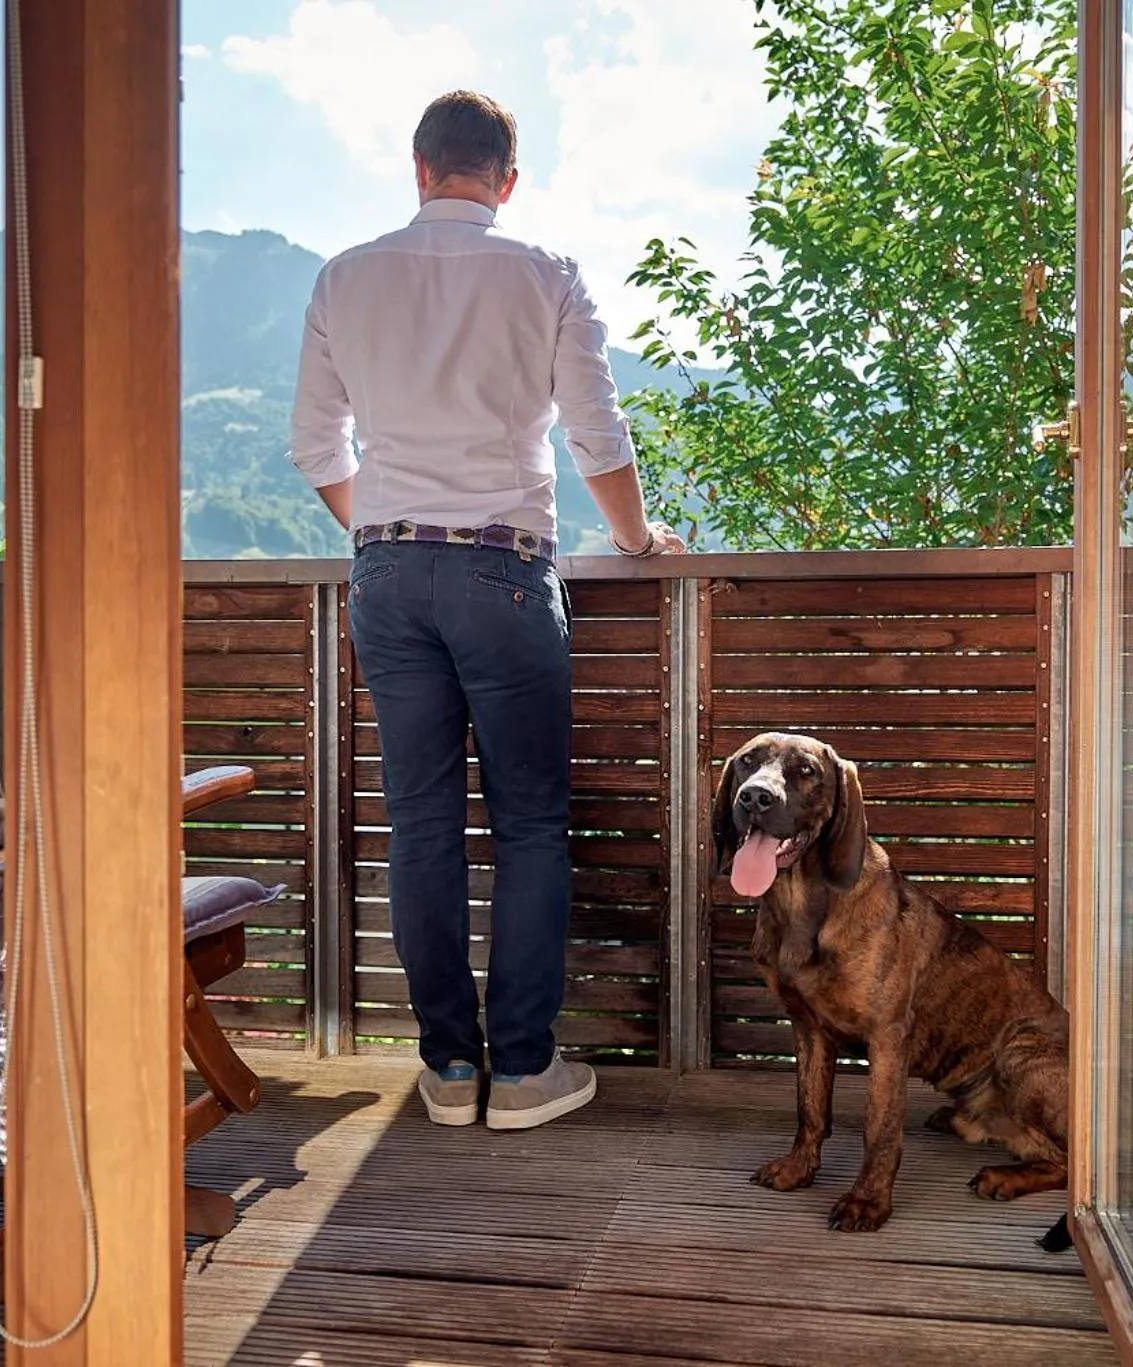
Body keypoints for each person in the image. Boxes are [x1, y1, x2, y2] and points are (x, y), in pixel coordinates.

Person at [288, 90, 685, 1131]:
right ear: (505, 181)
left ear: (417, 168)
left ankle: (446, 1068)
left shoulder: (344, 277)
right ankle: (520, 1070)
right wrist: (639, 545)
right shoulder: (543, 273)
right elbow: (597, 440)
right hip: (503, 571)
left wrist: (379, 522)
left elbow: (314, 447)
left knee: (418, 824)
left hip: (382, 572)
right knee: (528, 826)